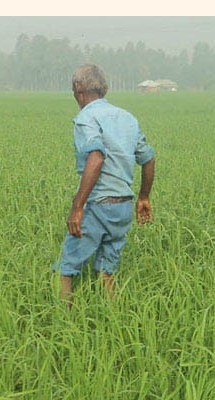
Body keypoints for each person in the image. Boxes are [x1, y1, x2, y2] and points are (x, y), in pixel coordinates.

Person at [55, 64, 156, 307]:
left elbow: (96, 157)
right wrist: (144, 197)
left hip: (99, 204)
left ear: (78, 89)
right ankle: (114, 318)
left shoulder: (86, 118)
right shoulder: (127, 118)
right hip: (123, 207)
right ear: (106, 89)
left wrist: (77, 206)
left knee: (66, 267)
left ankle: (63, 324)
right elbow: (148, 157)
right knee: (106, 270)